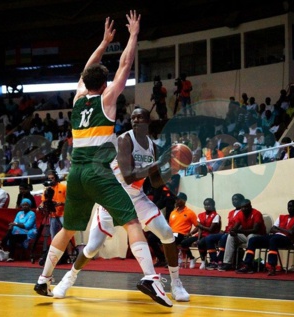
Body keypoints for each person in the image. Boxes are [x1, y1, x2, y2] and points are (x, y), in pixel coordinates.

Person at [33, 11, 172, 307]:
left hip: (76, 173)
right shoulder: (107, 100)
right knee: (132, 221)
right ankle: (151, 278)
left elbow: (87, 70)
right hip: (97, 172)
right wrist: (132, 34)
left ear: (85, 81)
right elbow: (125, 63)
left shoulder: (77, 97)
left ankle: (43, 280)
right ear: (105, 83)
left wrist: (103, 42)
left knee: (69, 229)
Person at [53, 107, 189, 302]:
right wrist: (158, 163)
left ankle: (176, 284)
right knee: (92, 247)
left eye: (140, 117)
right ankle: (68, 278)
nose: (135, 120)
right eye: (133, 118)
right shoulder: (125, 140)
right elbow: (127, 177)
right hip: (113, 195)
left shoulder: (152, 145)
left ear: (148, 120)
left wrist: (173, 170)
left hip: (136, 196)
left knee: (167, 233)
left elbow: (156, 181)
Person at [236, 200, 294, 276]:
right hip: (274, 236)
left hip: (287, 239)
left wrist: (279, 228)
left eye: (292, 206)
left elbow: (292, 232)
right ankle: (248, 264)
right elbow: (272, 229)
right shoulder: (281, 217)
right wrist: (284, 230)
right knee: (253, 240)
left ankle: (272, 266)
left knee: (273, 240)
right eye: (289, 206)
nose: (290, 208)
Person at [217, 199, 266, 271]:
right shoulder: (240, 214)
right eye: (243, 207)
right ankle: (227, 263)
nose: (244, 209)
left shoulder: (256, 213)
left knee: (251, 236)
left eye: (246, 207)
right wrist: (232, 231)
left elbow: (255, 230)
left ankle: (247, 263)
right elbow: (235, 227)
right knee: (231, 236)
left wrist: (239, 231)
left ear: (250, 206)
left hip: (259, 237)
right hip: (246, 236)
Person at [180, 197, 221, 269]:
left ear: (213, 205)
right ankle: (192, 258)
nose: (207, 206)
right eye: (205, 205)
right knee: (184, 243)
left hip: (210, 236)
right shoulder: (201, 215)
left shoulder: (216, 215)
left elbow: (210, 229)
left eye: (209, 205)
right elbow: (199, 228)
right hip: (200, 235)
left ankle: (203, 261)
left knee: (200, 243)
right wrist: (192, 234)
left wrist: (200, 227)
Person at [37, 170, 67, 266]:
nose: (51, 180)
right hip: (52, 215)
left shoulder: (63, 187)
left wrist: (61, 203)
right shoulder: (47, 189)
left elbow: (69, 201)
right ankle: (55, 257)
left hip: (62, 214)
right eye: (49, 179)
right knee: (54, 237)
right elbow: (43, 201)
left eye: (52, 178)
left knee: (65, 235)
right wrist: (40, 206)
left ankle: (66, 255)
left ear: (56, 178)